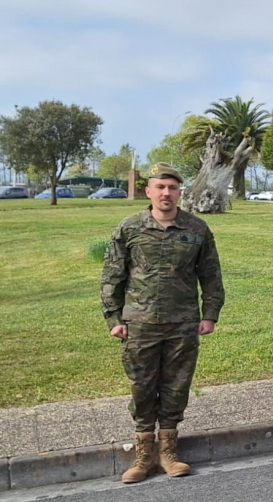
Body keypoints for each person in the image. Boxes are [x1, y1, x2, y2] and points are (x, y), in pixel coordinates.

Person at [101, 162, 225, 483]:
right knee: (142, 388)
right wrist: (114, 317)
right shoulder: (129, 228)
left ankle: (169, 452)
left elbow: (211, 276)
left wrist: (210, 313)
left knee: (176, 387)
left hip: (182, 324)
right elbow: (113, 276)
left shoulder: (197, 230)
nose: (166, 193)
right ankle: (143, 455)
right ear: (149, 191)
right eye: (160, 187)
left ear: (179, 192)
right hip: (139, 324)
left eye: (172, 188)